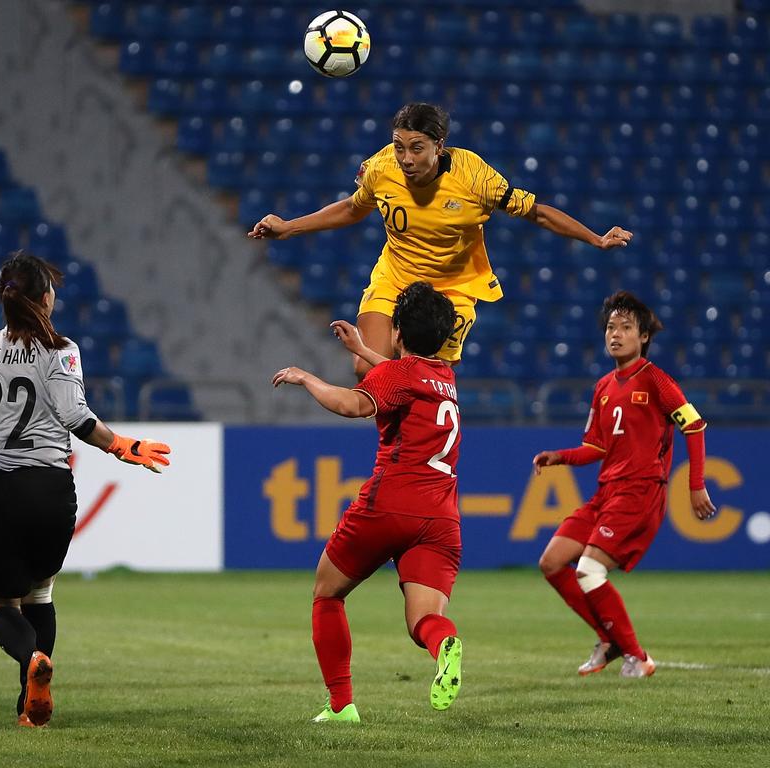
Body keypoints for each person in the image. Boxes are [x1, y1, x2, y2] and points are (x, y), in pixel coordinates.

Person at [0, 251, 171, 727]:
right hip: (50, 490)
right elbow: (76, 417)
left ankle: (30, 661)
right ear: (45, 298)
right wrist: (122, 446)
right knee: (40, 593)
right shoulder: (62, 350)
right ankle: (28, 706)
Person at [249, 102, 633, 378]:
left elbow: (537, 212)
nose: (406, 158)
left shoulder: (475, 178)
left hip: (453, 288)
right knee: (367, 371)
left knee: (427, 381)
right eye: (400, 146)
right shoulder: (381, 168)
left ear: (440, 145)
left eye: (417, 148)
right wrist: (289, 227)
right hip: (395, 276)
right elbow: (353, 208)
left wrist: (595, 239)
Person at [272, 281, 465, 721]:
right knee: (423, 622)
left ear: (397, 332)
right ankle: (445, 645)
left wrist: (307, 378)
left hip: (390, 504)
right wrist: (363, 348)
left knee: (327, 593)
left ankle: (341, 705)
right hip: (441, 519)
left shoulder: (396, 376)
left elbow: (352, 404)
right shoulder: (445, 377)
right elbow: (405, 375)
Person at [533, 291, 715, 678]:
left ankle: (638, 656)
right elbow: (595, 446)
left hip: (639, 491)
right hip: (606, 492)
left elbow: (694, 425)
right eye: (611, 327)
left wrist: (695, 484)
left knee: (588, 570)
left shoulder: (655, 380)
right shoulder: (603, 387)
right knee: (551, 562)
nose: (616, 334)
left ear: (643, 337)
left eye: (626, 328)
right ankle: (609, 639)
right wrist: (560, 456)